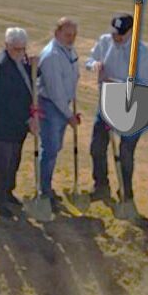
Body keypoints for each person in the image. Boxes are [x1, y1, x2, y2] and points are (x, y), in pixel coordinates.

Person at [85, 12, 148, 203]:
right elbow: (89, 60)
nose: (116, 37)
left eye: (121, 34)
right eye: (114, 33)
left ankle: (126, 192)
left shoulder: (142, 53)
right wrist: (95, 65)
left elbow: (147, 85)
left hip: (134, 108)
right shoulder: (105, 41)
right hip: (106, 104)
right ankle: (101, 186)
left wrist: (113, 81)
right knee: (97, 147)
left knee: (126, 152)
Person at [0, 27, 38, 218]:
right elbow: (3, 101)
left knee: (13, 162)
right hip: (0, 127)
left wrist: (34, 69)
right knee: (0, 165)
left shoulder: (23, 62)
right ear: (6, 46)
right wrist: (26, 118)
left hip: (18, 127)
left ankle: (8, 192)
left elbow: (27, 84)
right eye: (16, 49)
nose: (20, 52)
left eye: (23, 48)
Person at [37, 17, 81, 202]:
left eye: (73, 35)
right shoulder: (51, 56)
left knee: (56, 148)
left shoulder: (69, 51)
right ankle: (44, 190)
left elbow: (73, 76)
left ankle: (46, 186)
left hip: (63, 105)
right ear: (57, 33)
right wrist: (69, 116)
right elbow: (56, 92)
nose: (71, 38)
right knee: (50, 149)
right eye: (67, 34)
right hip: (51, 106)